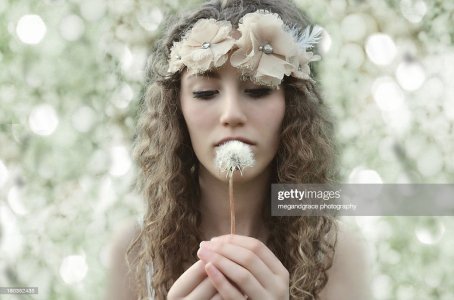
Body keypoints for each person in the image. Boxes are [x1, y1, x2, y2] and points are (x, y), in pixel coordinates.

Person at [106, 0, 370, 299]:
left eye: (258, 89)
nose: (231, 113)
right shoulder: (135, 251)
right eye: (205, 93)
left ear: (292, 106)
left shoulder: (335, 252)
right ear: (176, 110)